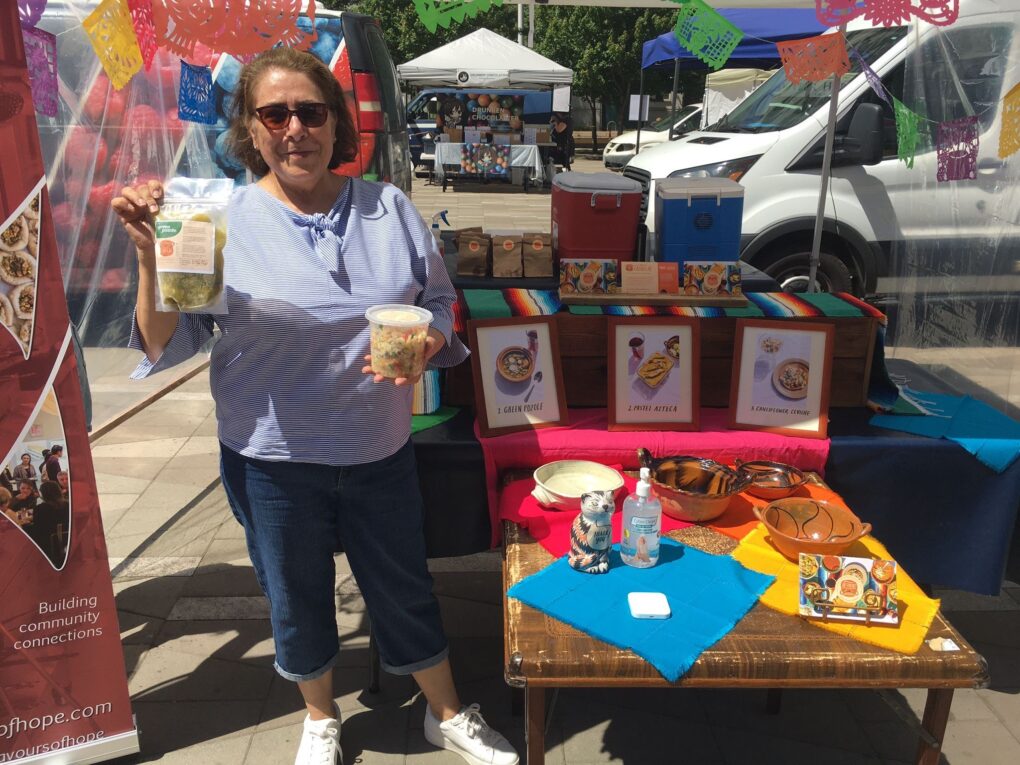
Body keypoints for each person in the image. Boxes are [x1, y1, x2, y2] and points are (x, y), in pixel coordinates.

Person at [112, 47, 518, 765]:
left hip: (376, 448)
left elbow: (440, 301)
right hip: (272, 457)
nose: (294, 127)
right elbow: (163, 337)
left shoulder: (386, 207)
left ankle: (445, 711)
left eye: (311, 111)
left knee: (402, 584)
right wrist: (150, 254)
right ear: (251, 128)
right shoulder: (216, 218)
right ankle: (320, 717)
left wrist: (431, 342)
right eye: (275, 113)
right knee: (296, 595)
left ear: (335, 125)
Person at [29, 481, 68, 566]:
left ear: (44, 494)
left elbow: (38, 529)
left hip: (48, 543)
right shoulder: (68, 505)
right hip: (67, 539)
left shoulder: (40, 509)